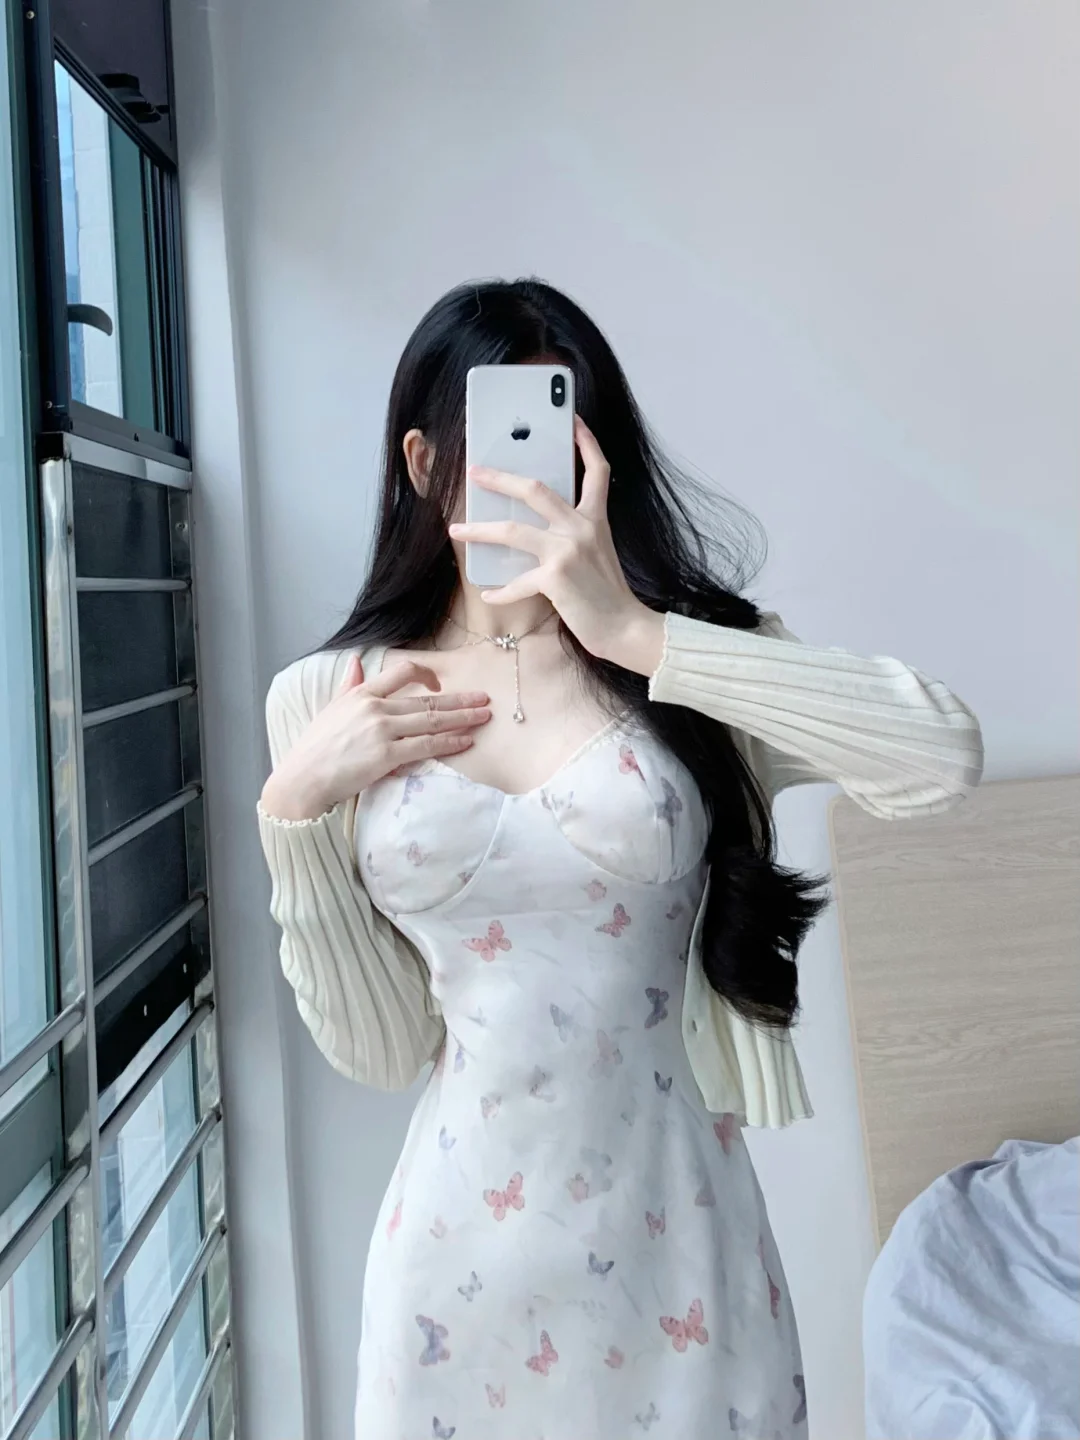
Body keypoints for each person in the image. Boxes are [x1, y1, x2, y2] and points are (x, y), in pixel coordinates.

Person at [257, 278, 983, 1440]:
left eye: (562, 441)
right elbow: (382, 1050)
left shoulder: (690, 660)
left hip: (681, 1253)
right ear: (424, 462)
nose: (532, 477)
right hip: (451, 1278)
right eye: (498, 442)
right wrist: (292, 812)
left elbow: (939, 755)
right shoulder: (325, 700)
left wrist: (637, 633)